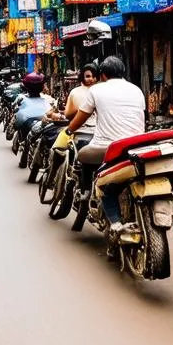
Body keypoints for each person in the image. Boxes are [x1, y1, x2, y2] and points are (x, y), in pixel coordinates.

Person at [66, 56, 146, 234]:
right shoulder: (137, 90)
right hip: (136, 146)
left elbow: (79, 118)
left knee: (84, 152)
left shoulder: (96, 91)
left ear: (102, 75)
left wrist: (69, 130)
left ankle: (88, 190)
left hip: (108, 148)